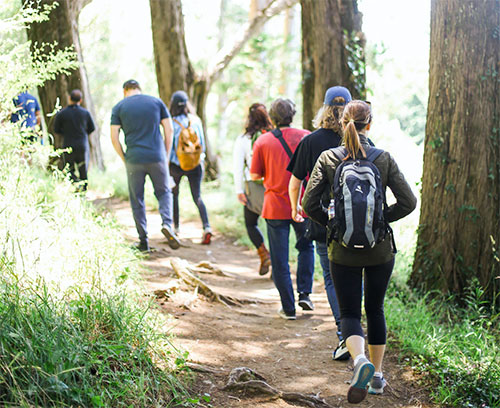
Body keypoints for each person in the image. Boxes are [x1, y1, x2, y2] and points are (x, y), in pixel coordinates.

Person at [302, 100, 417, 403]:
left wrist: (333, 225)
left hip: (342, 251)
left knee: (350, 311)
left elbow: (308, 205)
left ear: (341, 123)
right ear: (371, 124)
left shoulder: (328, 158)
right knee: (375, 308)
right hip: (380, 251)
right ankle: (377, 377)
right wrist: (380, 221)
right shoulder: (384, 158)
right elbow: (409, 202)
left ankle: (360, 361)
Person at [287, 86, 351, 360]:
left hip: (322, 219)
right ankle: (356, 332)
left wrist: (295, 208)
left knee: (331, 278)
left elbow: (295, 182)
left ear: (324, 109)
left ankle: (344, 335)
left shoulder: (311, 141)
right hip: (358, 221)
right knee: (355, 276)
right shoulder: (360, 140)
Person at [250, 98, 314, 320]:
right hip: (303, 204)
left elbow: (255, 175)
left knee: (279, 258)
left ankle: (288, 308)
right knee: (306, 247)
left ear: (272, 117)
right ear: (292, 115)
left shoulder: (263, 141)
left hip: (275, 206)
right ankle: (305, 293)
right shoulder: (306, 136)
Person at [110, 79, 180, 252]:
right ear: (139, 89)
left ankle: (143, 241)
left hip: (134, 159)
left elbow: (114, 137)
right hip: (157, 157)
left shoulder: (119, 107)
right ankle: (167, 224)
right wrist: (165, 154)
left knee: (137, 199)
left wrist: (124, 157)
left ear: (125, 91)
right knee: (164, 192)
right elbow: (169, 129)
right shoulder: (156, 102)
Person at [233, 103, 273, 275]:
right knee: (275, 227)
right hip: (274, 187)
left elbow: (237, 167)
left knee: (251, 224)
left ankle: (263, 253)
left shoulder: (243, 140)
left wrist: (239, 190)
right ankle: (278, 264)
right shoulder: (274, 136)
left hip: (253, 188)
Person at [168, 90, 212, 245]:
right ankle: (206, 227)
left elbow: (169, 147)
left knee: (174, 195)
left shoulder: (171, 122)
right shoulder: (195, 120)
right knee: (197, 196)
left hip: (176, 165)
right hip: (195, 164)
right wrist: (200, 159)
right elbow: (203, 146)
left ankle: (175, 227)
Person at [53, 89, 95, 191]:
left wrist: (65, 133)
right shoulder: (85, 113)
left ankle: (75, 186)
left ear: (69, 98)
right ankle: (84, 190)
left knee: (69, 169)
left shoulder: (62, 114)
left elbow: (56, 129)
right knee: (83, 169)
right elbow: (92, 128)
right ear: (80, 100)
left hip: (68, 144)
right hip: (82, 145)